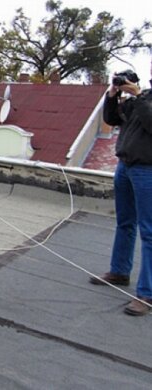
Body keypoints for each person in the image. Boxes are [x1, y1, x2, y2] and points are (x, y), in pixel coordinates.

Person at [90, 63, 152, 316]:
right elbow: (112, 119)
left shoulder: (142, 98)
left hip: (147, 170)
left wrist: (137, 97)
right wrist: (113, 96)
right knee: (125, 222)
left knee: (149, 232)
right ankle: (119, 271)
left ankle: (146, 294)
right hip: (125, 166)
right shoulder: (144, 96)